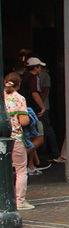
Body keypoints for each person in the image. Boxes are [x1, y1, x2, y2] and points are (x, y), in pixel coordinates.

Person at [4, 72, 33, 210]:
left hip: (1, 138)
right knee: (21, 168)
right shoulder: (19, 98)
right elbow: (24, 120)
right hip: (15, 137)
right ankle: (19, 200)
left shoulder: (1, 97)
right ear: (19, 84)